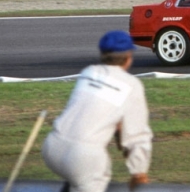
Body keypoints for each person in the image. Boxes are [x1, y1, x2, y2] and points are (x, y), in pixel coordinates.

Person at [42, 30, 153, 192]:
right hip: (84, 157)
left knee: (75, 179)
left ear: (102, 54)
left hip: (52, 146)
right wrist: (139, 172)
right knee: (84, 175)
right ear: (129, 57)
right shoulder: (132, 85)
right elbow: (137, 136)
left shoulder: (89, 72)